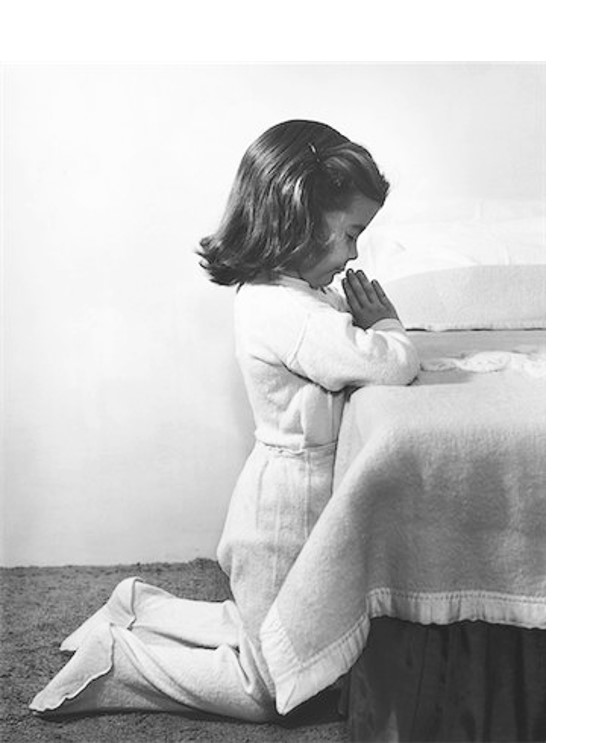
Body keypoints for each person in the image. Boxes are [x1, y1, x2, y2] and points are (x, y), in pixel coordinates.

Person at [29, 119, 420, 721]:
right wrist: (386, 325)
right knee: (266, 690)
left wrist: (358, 320)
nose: (354, 253)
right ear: (298, 220)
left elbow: (339, 340)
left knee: (267, 624)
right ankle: (119, 661)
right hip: (286, 513)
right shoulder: (292, 314)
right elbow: (392, 367)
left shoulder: (288, 296)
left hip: (291, 493)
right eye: (350, 233)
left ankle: (140, 605)